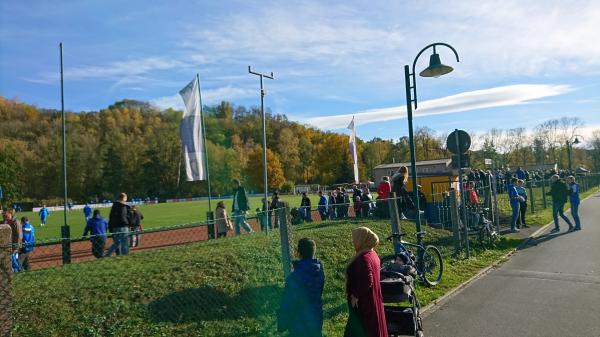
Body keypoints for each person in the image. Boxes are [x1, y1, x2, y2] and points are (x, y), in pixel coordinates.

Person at [344, 227, 387, 337]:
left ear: (362, 239)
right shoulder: (372, 254)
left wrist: (356, 295)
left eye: (355, 238)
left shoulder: (364, 258)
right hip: (372, 303)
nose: (353, 241)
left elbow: (368, 281)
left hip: (364, 305)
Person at [277, 238, 325, 337]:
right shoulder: (319, 271)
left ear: (298, 253)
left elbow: (288, 303)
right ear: (314, 251)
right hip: (316, 316)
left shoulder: (294, 277)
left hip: (299, 323)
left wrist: (282, 323)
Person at [104, 193, 131, 257]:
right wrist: (127, 224)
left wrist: (110, 227)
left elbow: (110, 217)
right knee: (124, 242)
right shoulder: (123, 206)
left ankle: (108, 254)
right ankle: (125, 255)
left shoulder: (114, 206)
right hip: (122, 226)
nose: (126, 199)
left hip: (114, 227)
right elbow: (123, 217)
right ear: (123, 198)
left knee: (117, 242)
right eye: (126, 198)